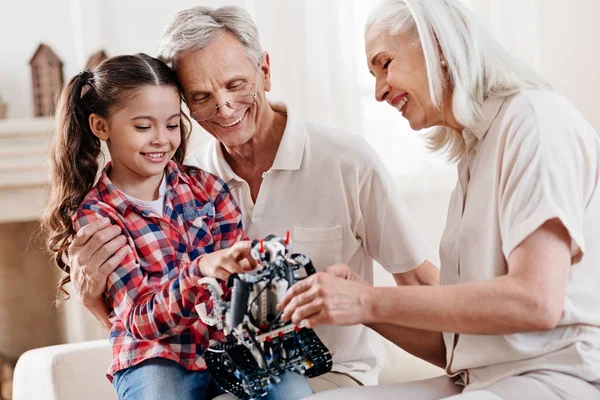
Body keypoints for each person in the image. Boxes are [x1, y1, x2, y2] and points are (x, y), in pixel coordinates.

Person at [65, 5, 439, 393]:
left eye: (236, 84)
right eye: (201, 95)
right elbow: (153, 329)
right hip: (232, 368)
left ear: (265, 70)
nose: (224, 107)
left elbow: (418, 280)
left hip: (330, 372)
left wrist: (481, 359)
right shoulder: (187, 180)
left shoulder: (347, 161)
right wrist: (95, 301)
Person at [277, 0, 600, 399]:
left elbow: (536, 302)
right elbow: (452, 348)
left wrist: (370, 300)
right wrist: (358, 302)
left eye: (385, 63)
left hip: (553, 379)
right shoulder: (474, 156)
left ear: (438, 47)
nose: (378, 91)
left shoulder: (535, 121)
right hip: (479, 381)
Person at [42, 53, 314, 400]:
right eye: (143, 127)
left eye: (171, 125)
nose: (161, 139)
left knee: (291, 388)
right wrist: (201, 271)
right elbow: (140, 321)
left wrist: (264, 277)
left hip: (230, 344)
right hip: (154, 358)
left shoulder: (209, 190)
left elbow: (241, 289)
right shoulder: (98, 217)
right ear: (101, 126)